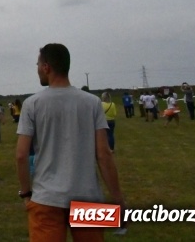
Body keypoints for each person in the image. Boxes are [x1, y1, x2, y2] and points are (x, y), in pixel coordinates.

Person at [16, 43, 124, 242]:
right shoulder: (92, 102)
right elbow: (103, 154)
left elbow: (21, 155)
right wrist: (117, 197)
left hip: (46, 199)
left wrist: (26, 193)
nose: (37, 69)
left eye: (38, 64)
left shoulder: (32, 104)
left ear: (47, 67)